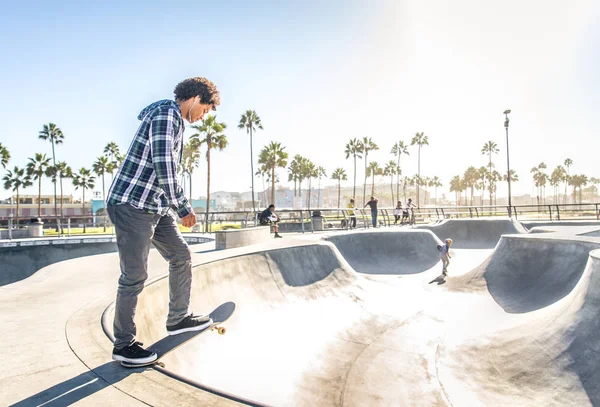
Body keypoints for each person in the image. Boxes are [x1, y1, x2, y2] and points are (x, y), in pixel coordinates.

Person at [106, 77, 221, 365]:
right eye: (205, 110)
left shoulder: (174, 121)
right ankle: (124, 344)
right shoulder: (167, 114)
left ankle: (178, 318)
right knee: (134, 276)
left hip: (154, 206)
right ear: (195, 99)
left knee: (181, 255)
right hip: (131, 204)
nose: (203, 116)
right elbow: (164, 165)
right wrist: (183, 207)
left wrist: (172, 207)